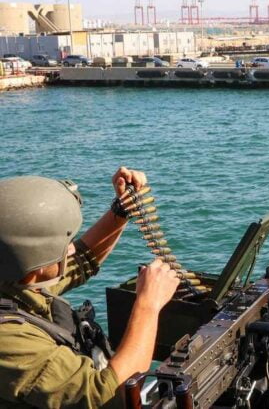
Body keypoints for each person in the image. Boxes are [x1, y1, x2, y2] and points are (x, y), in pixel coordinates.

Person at [0, 168, 180, 408]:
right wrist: (148, 304)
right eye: (64, 245)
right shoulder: (8, 341)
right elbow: (107, 394)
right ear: (34, 260)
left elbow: (83, 258)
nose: (70, 249)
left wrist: (122, 210)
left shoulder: (13, 274)